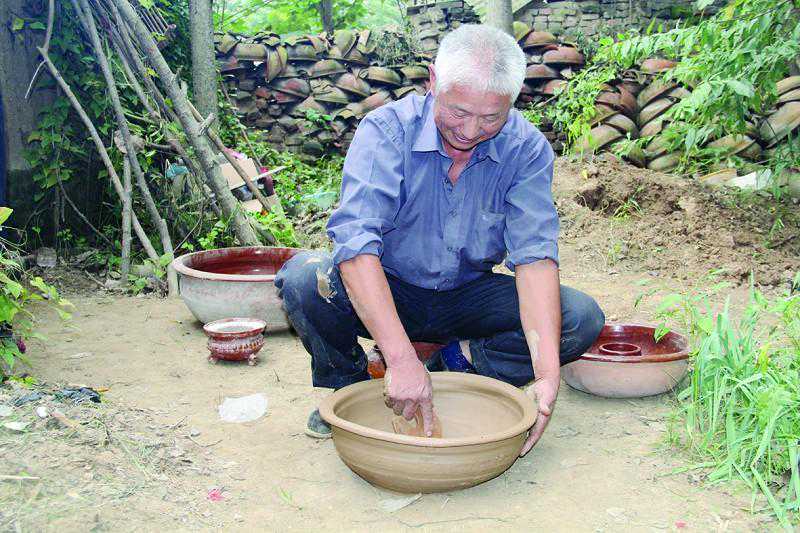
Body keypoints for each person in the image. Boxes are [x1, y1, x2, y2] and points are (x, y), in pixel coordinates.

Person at [275, 24, 604, 455]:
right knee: (305, 279)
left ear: (514, 99)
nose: (469, 131)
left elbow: (535, 258)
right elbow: (355, 246)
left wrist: (547, 378)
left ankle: (455, 363)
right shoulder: (387, 132)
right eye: (458, 111)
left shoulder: (526, 148)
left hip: (466, 294)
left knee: (579, 317)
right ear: (433, 81)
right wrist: (399, 357)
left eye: (490, 118)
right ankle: (349, 391)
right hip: (388, 286)